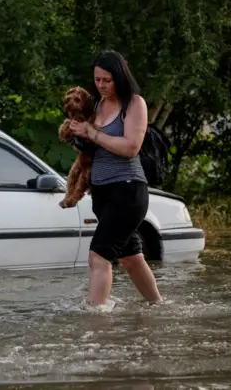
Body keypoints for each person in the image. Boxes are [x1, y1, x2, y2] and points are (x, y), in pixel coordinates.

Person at [68, 50, 163, 307]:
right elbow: (94, 147)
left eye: (107, 80)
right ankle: (158, 306)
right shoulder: (96, 105)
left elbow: (131, 147)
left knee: (98, 256)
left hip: (128, 192)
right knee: (131, 257)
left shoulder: (134, 104)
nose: (101, 85)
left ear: (120, 77)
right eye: (97, 80)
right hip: (102, 192)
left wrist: (93, 133)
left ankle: (96, 318)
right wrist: (80, 136)